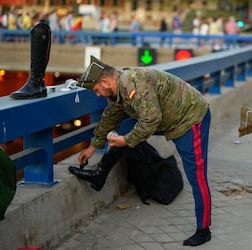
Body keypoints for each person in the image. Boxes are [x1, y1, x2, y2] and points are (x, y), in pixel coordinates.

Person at [68, 56, 212, 246]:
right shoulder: (118, 89)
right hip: (166, 118)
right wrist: (93, 146)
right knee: (124, 126)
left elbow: (151, 120)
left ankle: (204, 229)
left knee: (197, 175)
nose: (97, 95)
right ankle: (100, 173)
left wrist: (126, 141)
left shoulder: (136, 84)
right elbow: (110, 117)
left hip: (190, 119)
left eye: (96, 90)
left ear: (105, 81)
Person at [10, 21, 51, 99]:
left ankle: (35, 83)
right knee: (40, 33)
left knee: (40, 32)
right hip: (38, 86)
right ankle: (38, 84)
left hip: (35, 86)